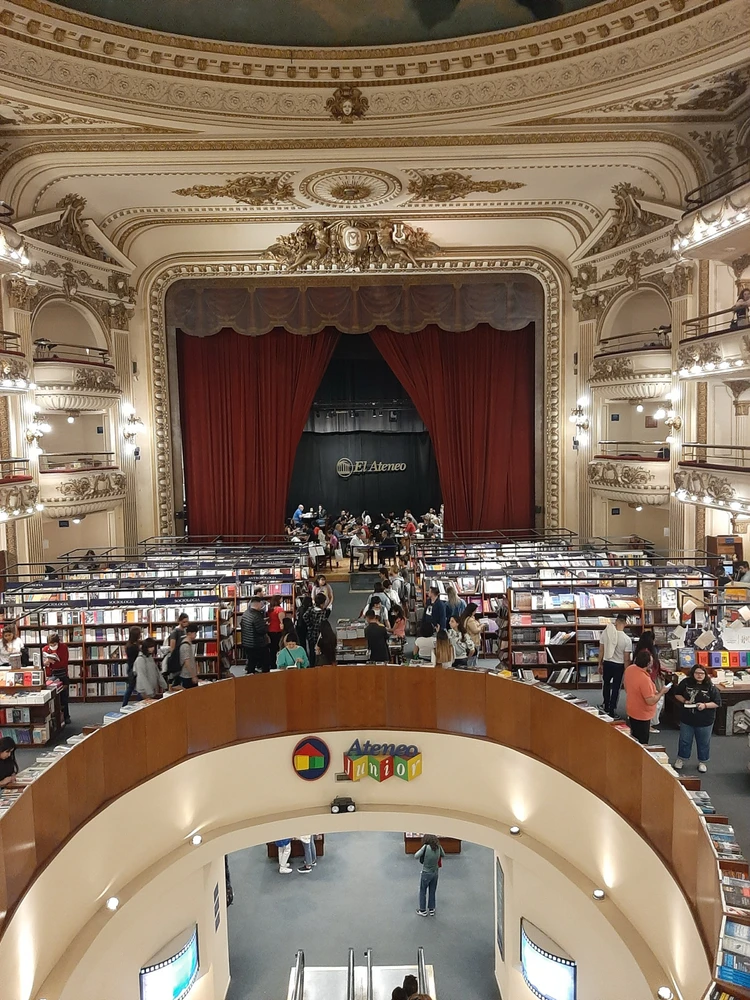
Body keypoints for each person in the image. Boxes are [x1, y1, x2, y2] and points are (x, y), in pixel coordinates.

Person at [673, 664, 722, 772]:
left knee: (703, 742)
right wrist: (685, 701)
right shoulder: (685, 683)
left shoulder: (710, 686)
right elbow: (677, 694)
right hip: (687, 718)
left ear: (705, 674)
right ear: (692, 673)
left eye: (702, 673)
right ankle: (681, 759)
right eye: (697, 673)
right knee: (685, 740)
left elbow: (717, 702)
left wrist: (705, 705)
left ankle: (702, 762)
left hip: (705, 720)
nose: (699, 675)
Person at [623, 649, 671, 744]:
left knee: (634, 738)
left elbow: (626, 687)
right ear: (648, 663)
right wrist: (662, 692)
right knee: (642, 742)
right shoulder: (645, 679)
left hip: (631, 709)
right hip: (642, 714)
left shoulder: (630, 669)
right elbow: (650, 701)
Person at [598, 613, 632, 716]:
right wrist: (627, 671)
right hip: (619, 665)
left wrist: (599, 664)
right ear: (625, 623)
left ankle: (606, 705)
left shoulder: (606, 633)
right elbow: (626, 659)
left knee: (606, 685)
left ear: (616, 621)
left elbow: (601, 650)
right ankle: (612, 709)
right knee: (616, 688)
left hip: (607, 662)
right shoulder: (627, 639)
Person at [634, 630, 667, 733]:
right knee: (655, 700)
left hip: (650, 678)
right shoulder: (647, 653)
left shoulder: (641, 650)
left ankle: (648, 722)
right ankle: (649, 724)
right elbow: (648, 668)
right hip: (650, 679)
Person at [42, 632, 71, 725]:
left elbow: (64, 662)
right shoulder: (45, 649)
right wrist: (47, 662)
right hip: (50, 676)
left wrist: (53, 661)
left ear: (58, 642)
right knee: (53, 699)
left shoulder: (63, 647)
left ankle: (66, 717)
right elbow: (43, 663)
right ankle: (57, 720)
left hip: (62, 675)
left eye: (54, 644)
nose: (52, 646)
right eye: (51, 645)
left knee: (64, 697)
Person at [415, 834, 445, 916]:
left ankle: (423, 910)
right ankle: (431, 909)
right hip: (435, 872)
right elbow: (443, 855)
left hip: (426, 872)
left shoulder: (425, 847)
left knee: (422, 891)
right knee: (432, 891)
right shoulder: (438, 846)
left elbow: (416, 856)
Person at [241, 596, 270, 674]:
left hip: (247, 642)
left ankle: (250, 678)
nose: (262, 606)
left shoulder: (246, 613)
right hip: (257, 643)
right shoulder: (257, 615)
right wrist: (266, 625)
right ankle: (265, 678)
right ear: (258, 604)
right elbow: (261, 630)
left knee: (251, 662)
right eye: (261, 604)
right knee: (265, 662)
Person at [303, 592, 328, 664]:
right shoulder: (322, 612)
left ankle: (311, 665)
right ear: (322, 604)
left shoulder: (311, 609)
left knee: (311, 651)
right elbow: (322, 623)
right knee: (319, 651)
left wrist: (309, 624)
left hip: (310, 633)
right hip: (318, 635)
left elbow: (305, 616)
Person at [121, 625, 142, 706]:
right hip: (134, 668)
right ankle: (126, 704)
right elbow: (135, 658)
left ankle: (125, 704)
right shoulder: (132, 647)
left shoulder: (131, 644)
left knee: (133, 687)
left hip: (132, 667)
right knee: (133, 687)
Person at [179, 624, 200, 688]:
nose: (196, 635)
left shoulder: (188, 644)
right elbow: (187, 662)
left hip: (189, 675)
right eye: (195, 633)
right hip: (187, 676)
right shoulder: (185, 645)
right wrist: (193, 676)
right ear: (189, 633)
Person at [267, 596, 286, 661]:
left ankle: (272, 664)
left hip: (270, 630)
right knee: (280, 648)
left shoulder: (270, 609)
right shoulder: (279, 609)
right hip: (278, 630)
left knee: (272, 649)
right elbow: (282, 621)